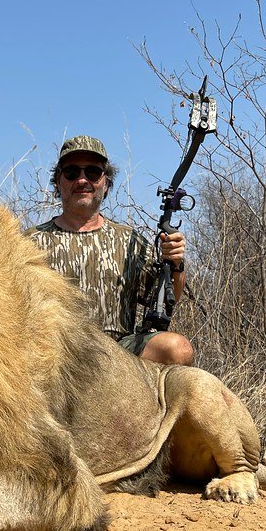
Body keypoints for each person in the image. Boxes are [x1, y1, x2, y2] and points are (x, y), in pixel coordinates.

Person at [27, 135, 194, 366]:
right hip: (53, 352)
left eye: (93, 173)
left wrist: (176, 264)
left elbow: (168, 300)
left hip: (119, 353)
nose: (82, 180)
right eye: (72, 173)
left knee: (178, 349)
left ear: (106, 183)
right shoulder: (28, 243)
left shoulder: (130, 240)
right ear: (58, 182)